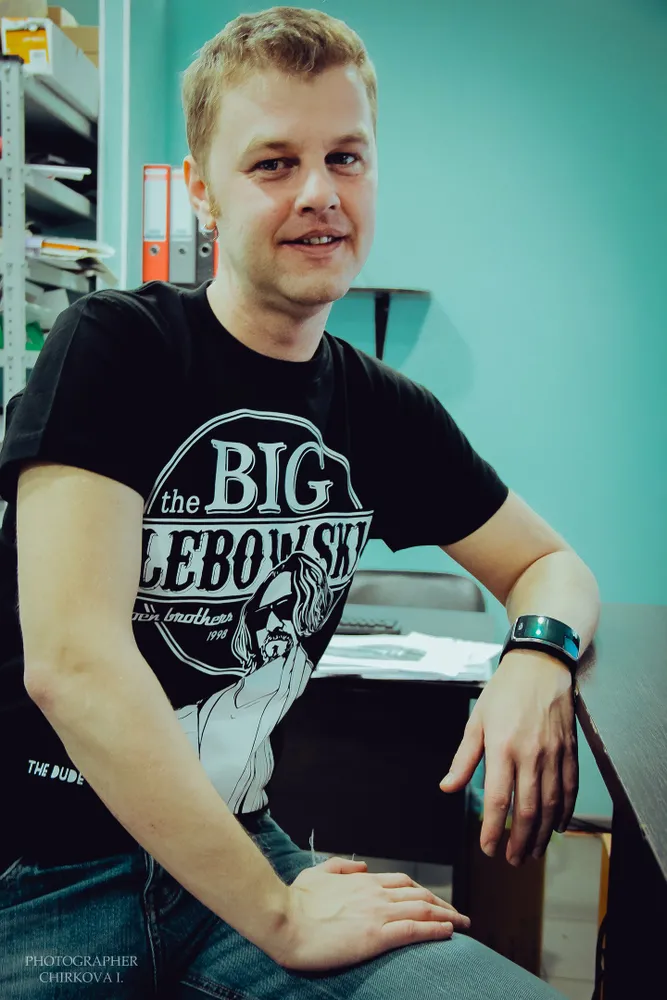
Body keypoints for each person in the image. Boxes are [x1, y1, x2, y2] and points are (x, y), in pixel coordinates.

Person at [0, 6, 600, 998]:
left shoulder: (383, 410)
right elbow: (73, 666)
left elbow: (550, 564)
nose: (319, 193)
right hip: (47, 880)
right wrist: (278, 915)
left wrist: (536, 655)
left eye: (345, 158)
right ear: (202, 190)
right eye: (274, 163)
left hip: (240, 854)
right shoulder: (114, 346)